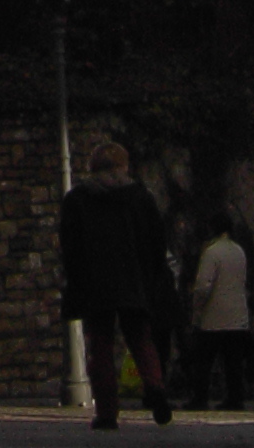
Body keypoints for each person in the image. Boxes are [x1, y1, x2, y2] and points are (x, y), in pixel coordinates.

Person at [60, 139, 181, 429]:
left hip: (95, 283)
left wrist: (75, 280)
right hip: (134, 279)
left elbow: (69, 245)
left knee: (100, 346)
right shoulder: (140, 197)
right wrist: (153, 278)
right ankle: (154, 386)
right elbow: (156, 242)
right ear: (124, 167)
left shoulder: (78, 199)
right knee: (140, 338)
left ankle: (107, 413)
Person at [184, 215, 254, 411]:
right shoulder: (239, 251)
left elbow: (203, 287)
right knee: (233, 362)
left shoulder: (212, 252)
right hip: (238, 315)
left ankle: (200, 398)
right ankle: (235, 398)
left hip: (213, 317)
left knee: (204, 361)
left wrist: (196, 309)